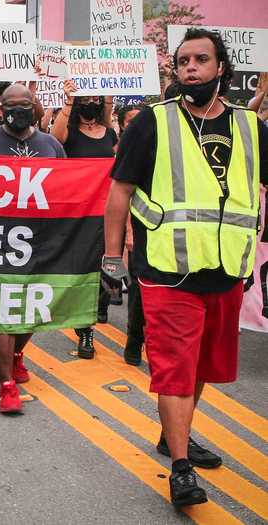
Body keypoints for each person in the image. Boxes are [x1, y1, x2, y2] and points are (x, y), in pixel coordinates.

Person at [103, 28, 268, 508]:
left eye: (201, 59)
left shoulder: (250, 127)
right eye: (183, 61)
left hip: (225, 273)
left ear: (221, 68)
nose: (191, 67)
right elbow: (120, 193)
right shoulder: (151, 123)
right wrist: (113, 258)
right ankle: (180, 468)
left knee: (198, 368)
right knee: (174, 370)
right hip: (167, 272)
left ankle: (173, 433)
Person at [0, 84, 66, 413]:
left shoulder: (51, 145)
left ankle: (17, 353)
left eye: (24, 104)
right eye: (10, 104)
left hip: (40, 242)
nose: (18, 109)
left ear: (34, 105)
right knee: (1, 313)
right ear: (1, 107)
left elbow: (68, 188)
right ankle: (6, 384)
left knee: (32, 311)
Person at [51, 80, 117, 359]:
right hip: (78, 213)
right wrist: (67, 100)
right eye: (85, 97)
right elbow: (55, 138)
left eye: (95, 96)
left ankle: (94, 310)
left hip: (106, 212)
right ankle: (84, 328)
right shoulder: (70, 132)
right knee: (82, 267)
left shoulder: (110, 133)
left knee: (104, 268)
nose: (91, 100)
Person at [115, 104, 144, 366]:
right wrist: (129, 231)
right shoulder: (133, 146)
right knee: (140, 291)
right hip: (143, 231)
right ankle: (134, 342)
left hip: (177, 236)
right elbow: (124, 192)